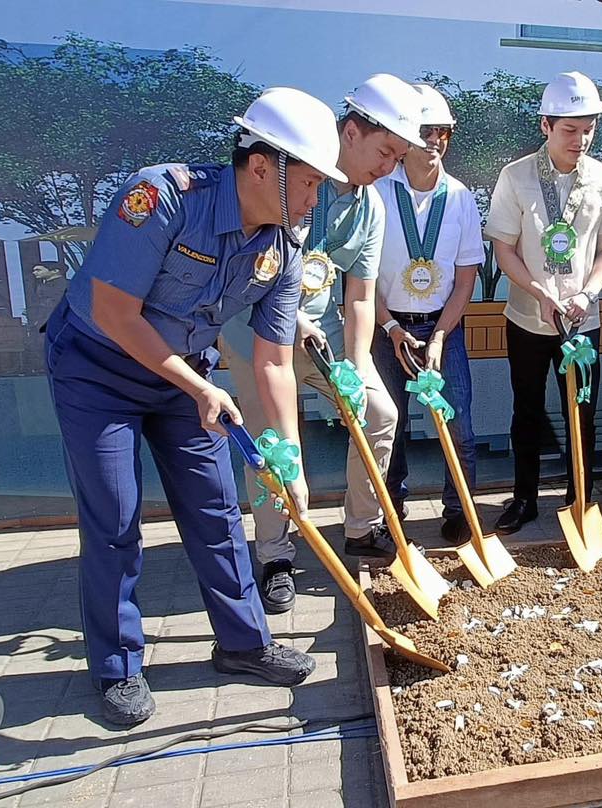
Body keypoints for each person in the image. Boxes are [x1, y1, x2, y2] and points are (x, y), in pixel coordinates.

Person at [44, 87, 343, 726]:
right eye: (313, 181)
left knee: (216, 509)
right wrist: (203, 387)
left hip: (186, 382)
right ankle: (117, 668)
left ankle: (244, 643)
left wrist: (288, 459)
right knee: (116, 516)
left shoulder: (284, 251)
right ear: (262, 165)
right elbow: (114, 313)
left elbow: (273, 360)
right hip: (97, 370)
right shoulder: (162, 198)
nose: (318, 197)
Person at [220, 73, 423, 614]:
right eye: (384, 151)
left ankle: (360, 527)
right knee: (273, 443)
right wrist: (289, 324)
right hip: (255, 328)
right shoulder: (293, 178)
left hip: (324, 335)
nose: (388, 167)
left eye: (398, 157)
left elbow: (359, 298)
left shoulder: (372, 208)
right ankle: (274, 553)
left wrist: (354, 369)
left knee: (378, 412)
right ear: (350, 131)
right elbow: (255, 274)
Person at [485, 71, 602, 534]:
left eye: (589, 128)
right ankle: (524, 498)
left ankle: (580, 500)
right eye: (570, 129)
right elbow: (504, 248)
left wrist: (587, 293)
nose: (581, 138)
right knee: (526, 412)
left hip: (582, 323)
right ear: (545, 125)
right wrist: (539, 292)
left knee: (581, 413)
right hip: (528, 319)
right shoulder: (516, 176)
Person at [371, 84, 484, 543]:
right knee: (388, 427)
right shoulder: (376, 192)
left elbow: (465, 280)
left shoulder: (460, 197)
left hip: (443, 327)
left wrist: (438, 336)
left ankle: (460, 511)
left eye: (442, 131)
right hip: (386, 328)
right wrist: (392, 327)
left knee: (460, 427)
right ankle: (390, 511)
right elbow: (361, 278)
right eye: (424, 132)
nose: (434, 141)